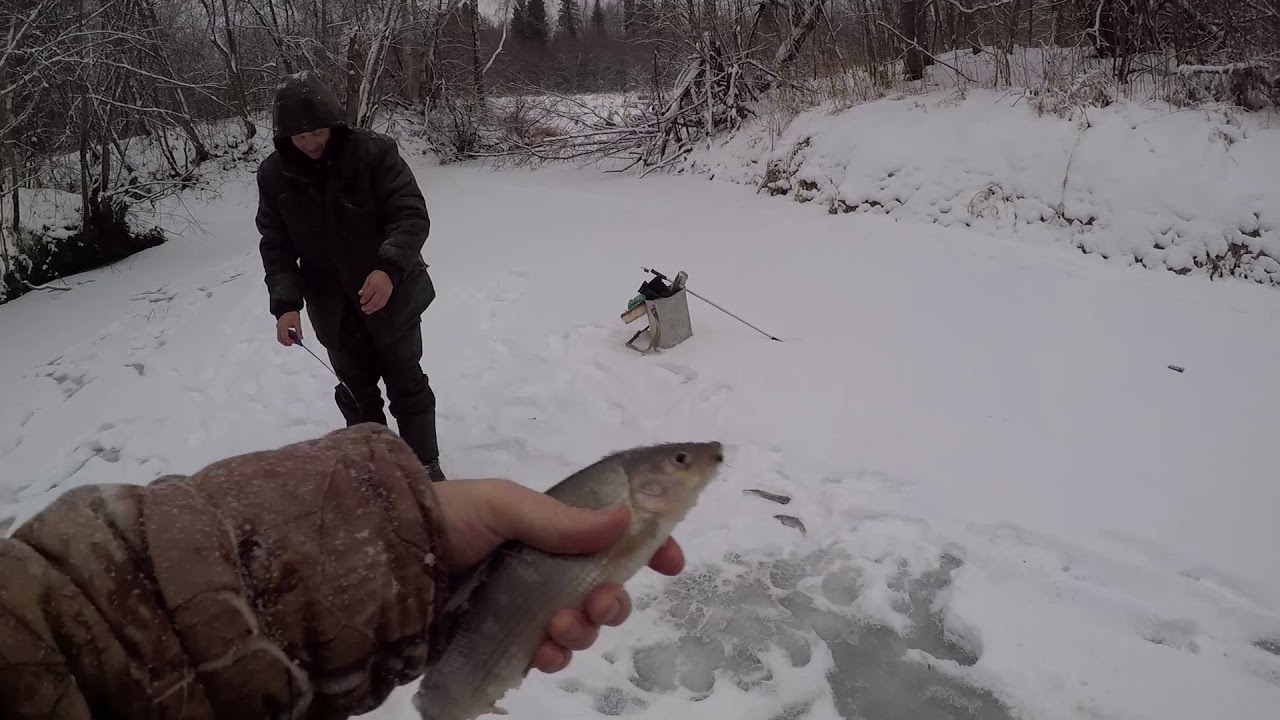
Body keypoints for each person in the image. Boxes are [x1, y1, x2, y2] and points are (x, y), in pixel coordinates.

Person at [0, 424, 684, 720]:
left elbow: (65, 620)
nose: (307, 140)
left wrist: (406, 537)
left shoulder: (371, 160)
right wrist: (288, 297)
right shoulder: (282, 177)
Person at [255, 70, 446, 481]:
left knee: (406, 385)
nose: (311, 143)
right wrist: (286, 306)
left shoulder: (374, 153)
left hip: (393, 298)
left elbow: (410, 215)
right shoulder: (273, 175)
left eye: (318, 131)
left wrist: (388, 268)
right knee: (357, 395)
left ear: (334, 121)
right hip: (332, 308)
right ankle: (375, 472)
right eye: (300, 137)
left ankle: (425, 469)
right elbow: (276, 245)